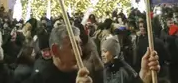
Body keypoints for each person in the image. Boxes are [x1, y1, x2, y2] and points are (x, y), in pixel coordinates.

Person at [28, 24, 160, 83]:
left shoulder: (88, 73)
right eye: (72, 46)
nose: (79, 52)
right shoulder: (40, 78)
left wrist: (143, 76)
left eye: (79, 44)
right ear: (56, 50)